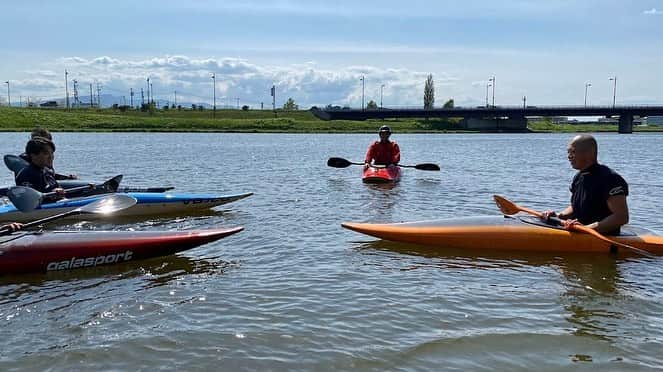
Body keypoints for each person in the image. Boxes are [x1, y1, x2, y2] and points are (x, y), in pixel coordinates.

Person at [542, 134, 629, 235]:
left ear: (590, 153)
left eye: (573, 152)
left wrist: (586, 229)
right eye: (568, 152)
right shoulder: (578, 177)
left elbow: (621, 217)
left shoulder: (611, 179)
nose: (569, 156)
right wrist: (559, 216)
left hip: (603, 239)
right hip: (581, 233)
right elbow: (576, 207)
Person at [15, 137, 65, 202]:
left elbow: (59, 190)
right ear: (33, 155)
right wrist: (50, 195)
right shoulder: (26, 175)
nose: (51, 157)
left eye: (52, 153)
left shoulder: (48, 172)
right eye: (46, 153)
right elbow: (28, 200)